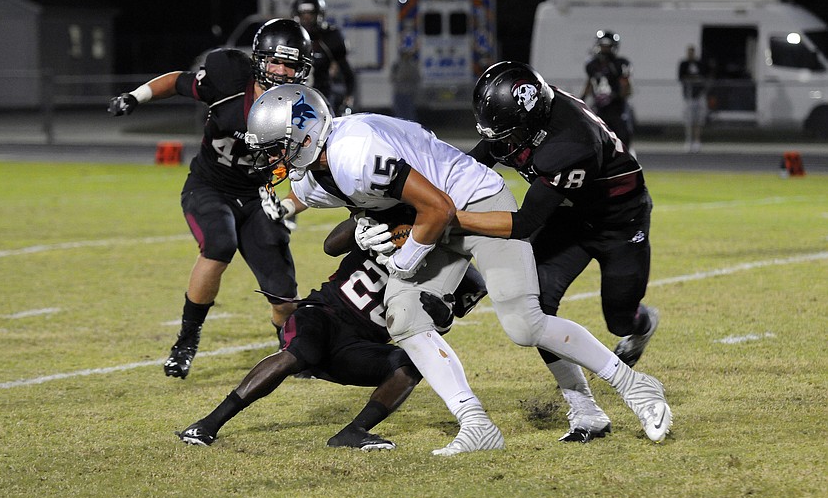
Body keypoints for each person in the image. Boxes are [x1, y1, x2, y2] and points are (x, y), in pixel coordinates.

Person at [244, 84, 672, 455]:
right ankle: (477, 425)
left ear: (302, 136)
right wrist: (357, 229)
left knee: (524, 323)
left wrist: (406, 254)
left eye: (273, 148)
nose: (269, 161)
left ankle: (635, 386)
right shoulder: (312, 176)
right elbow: (364, 212)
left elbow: (438, 208)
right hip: (433, 216)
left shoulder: (354, 152)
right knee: (404, 316)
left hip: (473, 201)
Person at [462, 60, 661, 443]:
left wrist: (452, 220)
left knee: (619, 319)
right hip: (570, 219)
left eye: (508, 134)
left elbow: (524, 223)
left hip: (620, 223)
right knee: (534, 309)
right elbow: (469, 166)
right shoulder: (519, 117)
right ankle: (586, 410)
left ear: (532, 120)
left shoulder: (572, 142)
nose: (501, 143)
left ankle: (640, 324)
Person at [107, 19, 313, 379]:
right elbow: (177, 82)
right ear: (259, 59)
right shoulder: (228, 77)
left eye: (291, 64)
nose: (281, 71)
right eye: (275, 61)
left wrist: (290, 204)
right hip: (209, 186)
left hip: (256, 196)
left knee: (283, 295)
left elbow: (317, 175)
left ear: (302, 70)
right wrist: (135, 97)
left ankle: (290, 351)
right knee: (219, 244)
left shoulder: (305, 112)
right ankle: (186, 341)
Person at [176, 211, 488, 449]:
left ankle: (354, 431)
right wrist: (362, 223)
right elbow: (331, 245)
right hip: (324, 314)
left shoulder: (461, 272)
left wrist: (442, 317)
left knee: (412, 363)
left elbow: (441, 326)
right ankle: (207, 424)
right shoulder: (394, 216)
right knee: (300, 352)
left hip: (361, 345)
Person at [292, 0, 356, 116]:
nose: (306, 18)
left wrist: (348, 100)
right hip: (293, 97)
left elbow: (347, 73)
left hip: (323, 98)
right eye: (303, 14)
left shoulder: (329, 37)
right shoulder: (291, 36)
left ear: (319, 14)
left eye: (310, 14)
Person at [581, 30, 634, 151]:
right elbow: (589, 83)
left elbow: (627, 87)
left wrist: (616, 96)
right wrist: (582, 99)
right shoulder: (592, 64)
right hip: (599, 107)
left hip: (617, 108)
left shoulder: (620, 64)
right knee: (596, 139)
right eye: (602, 45)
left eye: (608, 46)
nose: (605, 49)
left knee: (623, 141)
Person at [678, 45, 711, 153]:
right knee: (689, 120)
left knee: (698, 120)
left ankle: (697, 141)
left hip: (698, 96)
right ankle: (688, 141)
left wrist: (696, 80)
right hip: (688, 97)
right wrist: (693, 79)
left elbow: (704, 77)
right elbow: (682, 77)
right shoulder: (684, 64)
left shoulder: (699, 64)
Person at [391, 49, 421, 121]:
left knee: (408, 113)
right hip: (399, 92)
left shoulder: (411, 66)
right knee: (400, 114)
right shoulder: (396, 66)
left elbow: (417, 78)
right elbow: (392, 78)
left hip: (408, 93)